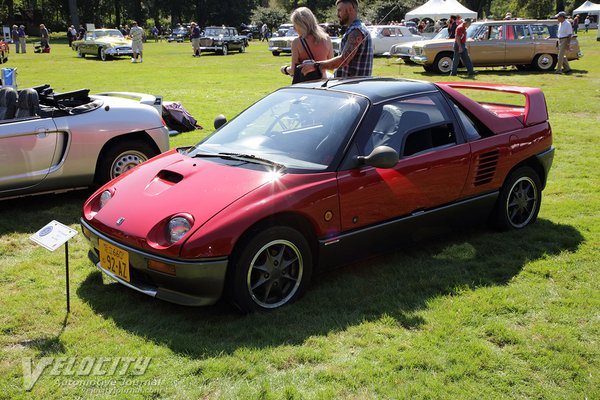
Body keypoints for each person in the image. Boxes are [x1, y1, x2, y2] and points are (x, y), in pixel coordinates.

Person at [299, 0, 373, 78]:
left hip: (352, 88)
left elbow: (344, 60)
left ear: (350, 8)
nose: (337, 14)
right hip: (349, 85)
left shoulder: (356, 31)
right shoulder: (356, 29)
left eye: (339, 10)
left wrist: (315, 66)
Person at [280, 7, 333, 81]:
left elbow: (293, 70)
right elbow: (331, 65)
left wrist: (284, 69)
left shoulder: (297, 42)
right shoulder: (326, 38)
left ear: (301, 25)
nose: (294, 29)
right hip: (323, 81)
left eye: (295, 25)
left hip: (306, 83)